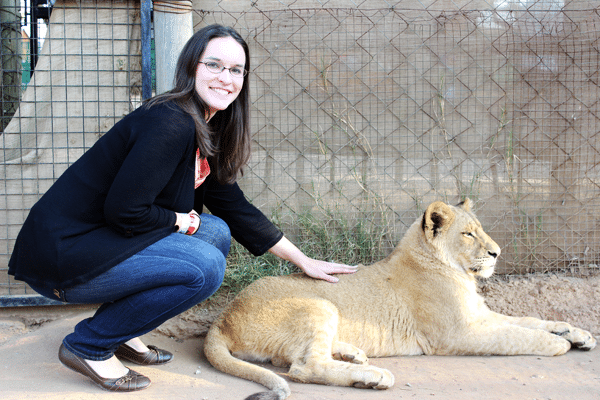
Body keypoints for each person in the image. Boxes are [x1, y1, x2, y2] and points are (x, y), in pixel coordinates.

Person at [7, 24, 356, 392]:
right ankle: (89, 345)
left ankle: (122, 330)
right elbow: (125, 211)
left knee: (216, 232)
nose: (226, 78)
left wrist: (303, 260)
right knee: (203, 267)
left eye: (236, 70)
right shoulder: (170, 122)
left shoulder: (208, 125)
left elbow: (233, 208)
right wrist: (179, 221)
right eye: (215, 65)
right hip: (64, 253)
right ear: (192, 67)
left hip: (101, 240)